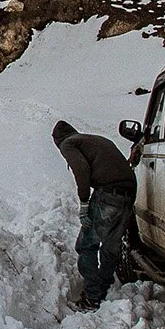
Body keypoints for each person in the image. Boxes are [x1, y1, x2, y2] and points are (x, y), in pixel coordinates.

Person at [53, 120, 136, 311]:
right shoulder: (93, 140)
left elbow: (81, 170)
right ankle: (103, 291)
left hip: (108, 194)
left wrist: (84, 202)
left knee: (86, 245)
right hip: (128, 192)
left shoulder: (69, 143)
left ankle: (92, 298)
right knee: (110, 247)